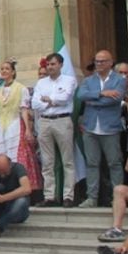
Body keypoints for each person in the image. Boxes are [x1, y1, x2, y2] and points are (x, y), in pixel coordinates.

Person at [77, 50, 127, 208]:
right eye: (97, 61)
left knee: (114, 163)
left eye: (102, 61)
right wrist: (102, 93)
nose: (99, 64)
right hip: (90, 127)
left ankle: (117, 197)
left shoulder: (119, 80)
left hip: (110, 127)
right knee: (92, 163)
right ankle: (92, 197)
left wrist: (94, 100)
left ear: (110, 62)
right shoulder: (88, 80)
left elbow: (116, 99)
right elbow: (81, 95)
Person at [0, 61, 40, 191]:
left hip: (15, 125)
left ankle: (18, 186)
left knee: (15, 155)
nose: (4, 71)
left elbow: (24, 109)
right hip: (0, 126)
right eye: (2, 69)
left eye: (7, 69)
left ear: (13, 72)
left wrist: (28, 130)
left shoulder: (21, 88)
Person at [32, 53, 78, 207]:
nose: (50, 67)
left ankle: (68, 196)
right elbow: (35, 104)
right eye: (48, 65)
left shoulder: (69, 80)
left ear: (60, 64)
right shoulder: (41, 83)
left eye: (53, 64)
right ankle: (49, 196)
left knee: (67, 160)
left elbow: (65, 98)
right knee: (47, 162)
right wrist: (51, 102)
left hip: (62, 120)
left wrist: (48, 99)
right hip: (44, 121)